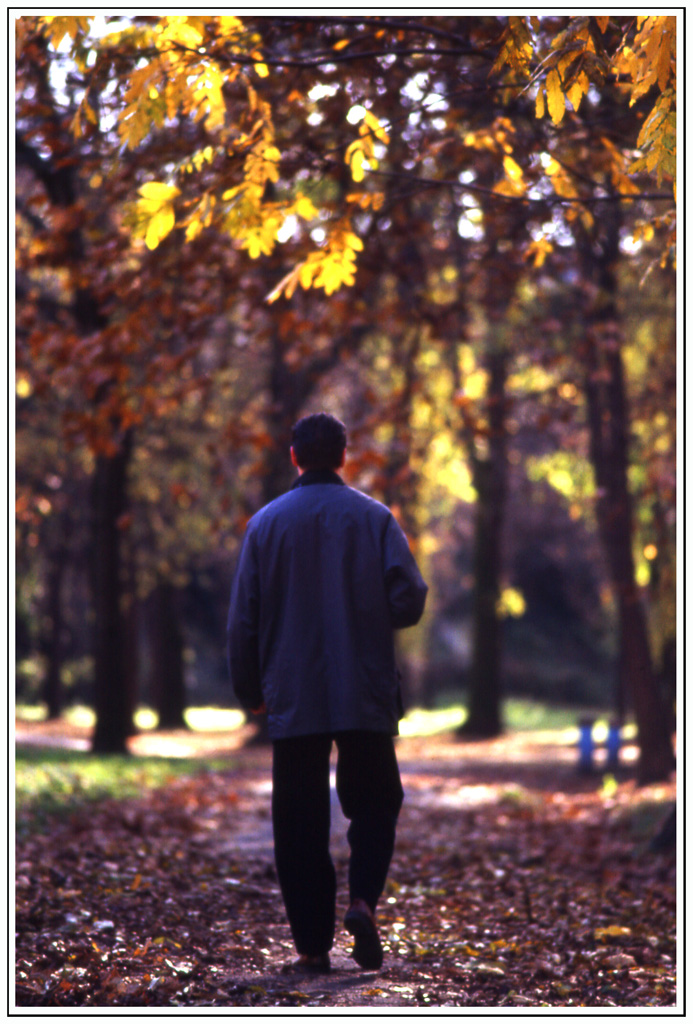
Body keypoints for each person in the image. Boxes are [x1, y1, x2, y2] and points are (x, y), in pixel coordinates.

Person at [227, 412, 428, 974]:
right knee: (376, 802)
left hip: (292, 691)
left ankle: (313, 943)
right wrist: (366, 610)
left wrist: (250, 689)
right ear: (343, 457)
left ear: (294, 456)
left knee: (298, 817)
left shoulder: (265, 526)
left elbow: (244, 618)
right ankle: (363, 899)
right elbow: (408, 599)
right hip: (362, 685)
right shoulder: (374, 519)